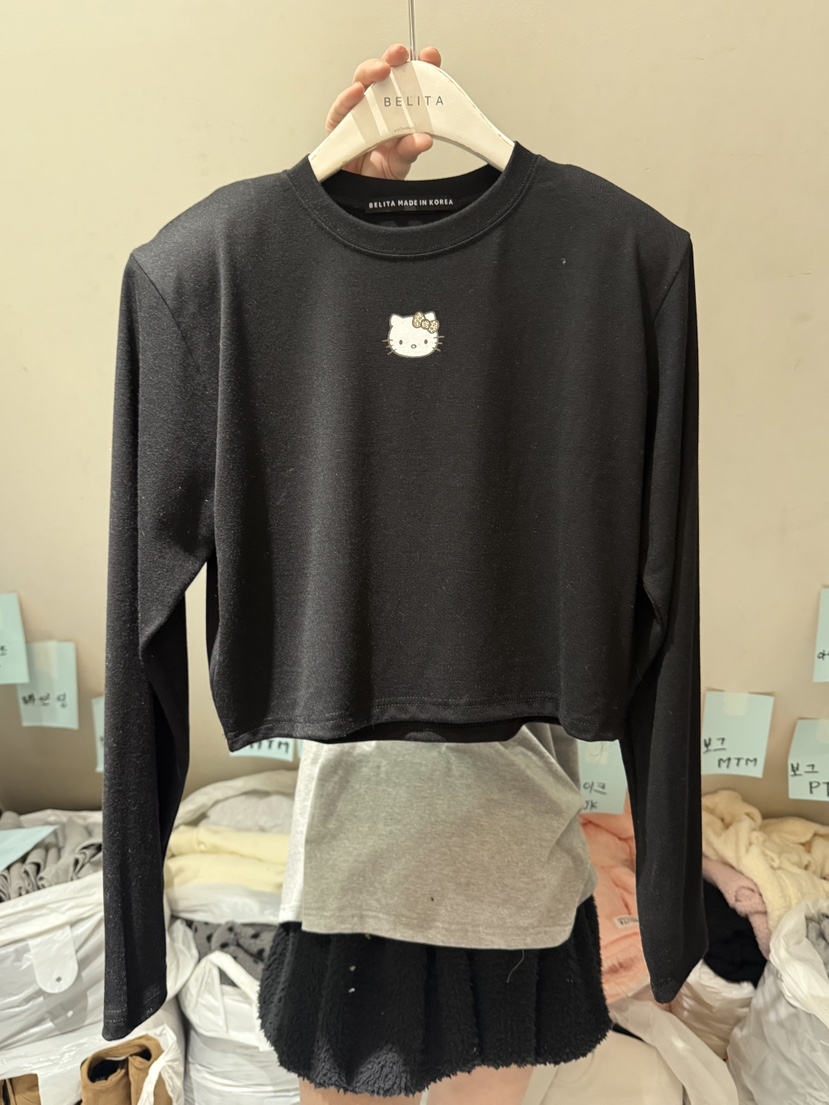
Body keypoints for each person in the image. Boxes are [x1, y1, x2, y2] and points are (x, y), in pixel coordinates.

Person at [256, 43, 612, 1105]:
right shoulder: (294, 318)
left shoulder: (563, 302)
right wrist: (342, 225)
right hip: (353, 859)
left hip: (507, 856)